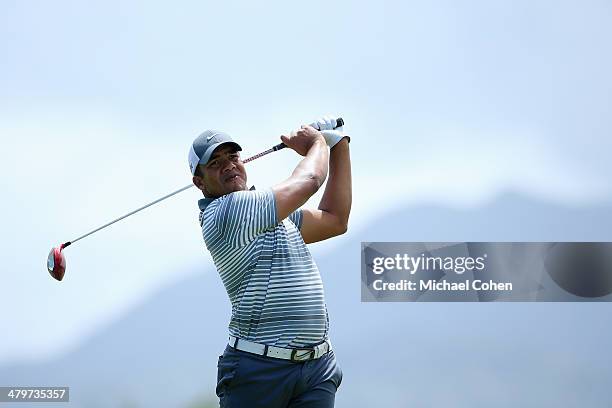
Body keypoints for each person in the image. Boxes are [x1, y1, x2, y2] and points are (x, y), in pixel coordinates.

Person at [188, 116, 351, 408]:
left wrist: (339, 146)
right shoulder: (226, 212)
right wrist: (317, 143)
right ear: (199, 183)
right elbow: (310, 180)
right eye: (215, 163)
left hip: (316, 368)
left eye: (233, 156)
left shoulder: (273, 214)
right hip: (258, 373)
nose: (228, 165)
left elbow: (335, 220)